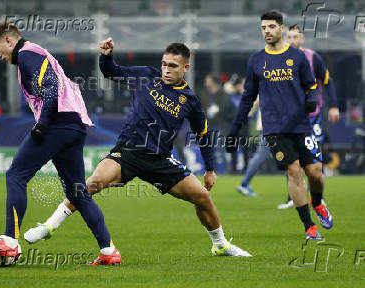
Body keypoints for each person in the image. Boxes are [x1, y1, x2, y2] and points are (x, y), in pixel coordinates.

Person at [24, 38, 251, 258]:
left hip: (159, 160)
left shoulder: (190, 100)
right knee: (92, 183)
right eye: (164, 64)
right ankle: (49, 226)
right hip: (128, 152)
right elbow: (111, 71)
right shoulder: (145, 76)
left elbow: (203, 135)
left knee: (202, 197)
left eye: (172, 65)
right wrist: (106, 56)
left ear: (185, 67)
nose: (166, 69)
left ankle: (220, 245)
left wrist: (210, 169)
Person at [0, 22, 121, 266]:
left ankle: (10, 241)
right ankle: (109, 251)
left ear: (9, 41)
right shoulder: (35, 53)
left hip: (58, 124)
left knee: (15, 175)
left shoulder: (26, 54)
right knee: (78, 192)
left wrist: (42, 125)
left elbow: (51, 87)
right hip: (75, 125)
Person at [226, 10, 333, 240]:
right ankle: (309, 227)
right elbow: (247, 97)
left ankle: (317, 202)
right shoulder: (256, 60)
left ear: (281, 28)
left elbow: (311, 84)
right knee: (293, 172)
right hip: (274, 129)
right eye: (263, 27)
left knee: (315, 173)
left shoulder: (297, 57)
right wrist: (235, 129)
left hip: (302, 126)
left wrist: (312, 98)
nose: (267, 31)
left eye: (271, 27)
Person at [274, 24, 340, 209]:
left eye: (296, 37)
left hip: (312, 116)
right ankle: (292, 196)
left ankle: (319, 196)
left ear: (302, 39)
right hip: (289, 118)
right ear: (285, 39)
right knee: (291, 158)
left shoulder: (313, 57)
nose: (293, 41)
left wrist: (334, 106)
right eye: (290, 37)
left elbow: (328, 81)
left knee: (314, 158)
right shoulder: (279, 59)